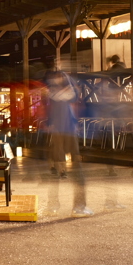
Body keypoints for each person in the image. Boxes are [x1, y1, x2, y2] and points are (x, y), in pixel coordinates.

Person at [44, 71, 92, 217]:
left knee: (55, 169)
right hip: (68, 132)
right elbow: (74, 94)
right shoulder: (66, 93)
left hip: (57, 132)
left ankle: (52, 206)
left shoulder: (51, 93)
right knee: (77, 169)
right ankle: (79, 207)